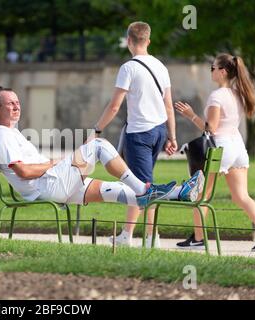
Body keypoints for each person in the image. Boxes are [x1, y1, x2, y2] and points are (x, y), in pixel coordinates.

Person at [0, 86, 204, 244]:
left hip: (54, 184)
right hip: (49, 186)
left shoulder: (11, 133)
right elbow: (24, 171)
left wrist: (55, 164)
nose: (17, 106)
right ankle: (143, 190)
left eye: (17, 102)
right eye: (10, 103)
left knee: (120, 190)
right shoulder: (2, 136)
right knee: (97, 145)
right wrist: (54, 163)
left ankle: (179, 193)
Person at [91, 21, 178, 247]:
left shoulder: (128, 68)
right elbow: (169, 106)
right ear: (148, 41)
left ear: (129, 41)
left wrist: (97, 130)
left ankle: (149, 238)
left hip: (139, 133)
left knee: (144, 187)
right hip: (159, 131)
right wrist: (172, 137)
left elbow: (114, 106)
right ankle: (128, 235)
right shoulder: (161, 66)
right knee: (140, 184)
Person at [174, 53, 255, 252]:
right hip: (238, 148)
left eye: (213, 68)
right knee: (242, 196)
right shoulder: (238, 93)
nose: (211, 71)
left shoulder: (217, 96)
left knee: (202, 196)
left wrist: (191, 116)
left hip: (220, 149)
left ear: (223, 72)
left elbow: (211, 129)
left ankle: (198, 239)